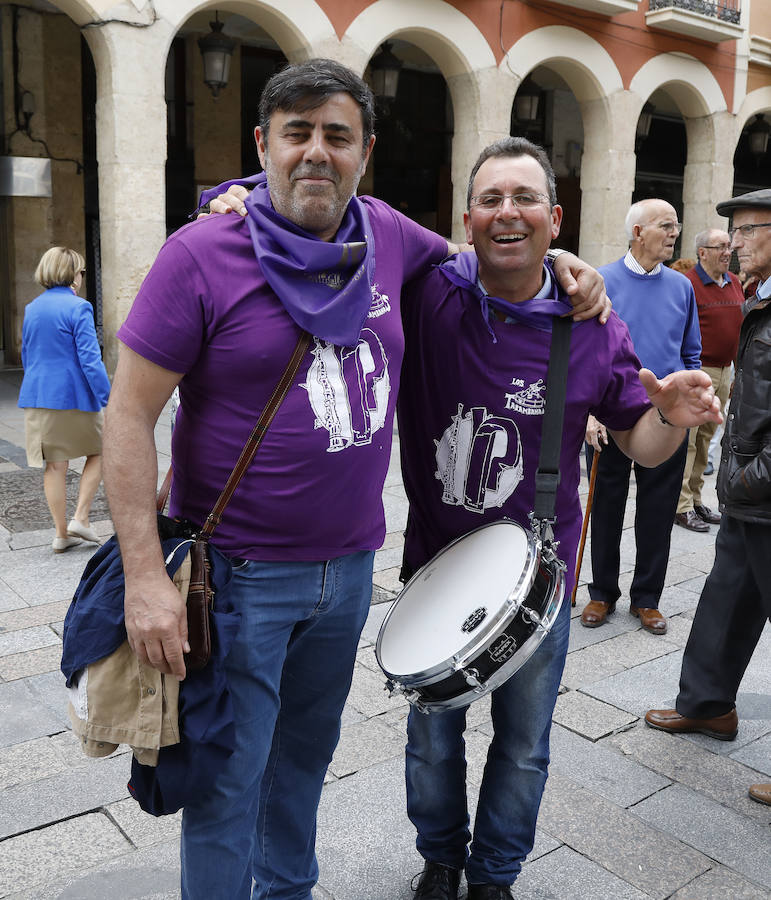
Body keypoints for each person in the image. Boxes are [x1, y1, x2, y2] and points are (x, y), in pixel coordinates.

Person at [103, 60, 607, 900]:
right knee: (226, 783)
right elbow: (126, 417)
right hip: (234, 580)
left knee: (301, 770)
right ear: (262, 144)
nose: (315, 153)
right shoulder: (200, 254)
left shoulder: (387, 236)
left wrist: (569, 265)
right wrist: (144, 577)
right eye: (295, 133)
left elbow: (485, 252)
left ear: (364, 151)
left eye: (336, 136)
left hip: (344, 579)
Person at [393, 140, 719, 900]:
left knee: (524, 745)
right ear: (466, 216)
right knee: (431, 739)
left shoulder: (591, 325)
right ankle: (440, 859)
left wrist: (669, 418)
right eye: (490, 199)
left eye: (525, 198)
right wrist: (231, 198)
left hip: (540, 578)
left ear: (554, 216)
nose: (507, 212)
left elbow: (640, 443)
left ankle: (494, 877)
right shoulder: (426, 294)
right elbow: (338, 214)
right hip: (435, 565)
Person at [644, 187, 771, 809]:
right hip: (750, 493)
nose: (735, 243)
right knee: (724, 602)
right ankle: (707, 706)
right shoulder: (759, 296)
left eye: (748, 230)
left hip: (763, 490)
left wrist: (750, 478)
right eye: (735, 232)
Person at [581, 199, 702, 635]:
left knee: (658, 508)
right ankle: (601, 593)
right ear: (638, 232)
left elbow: (691, 351)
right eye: (665, 226)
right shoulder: (602, 281)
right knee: (607, 506)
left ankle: (647, 598)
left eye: (676, 226)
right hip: (612, 412)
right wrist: (590, 413)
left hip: (667, 417)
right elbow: (585, 355)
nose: (674, 233)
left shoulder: (682, 287)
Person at [18, 247, 110, 552]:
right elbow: (90, 359)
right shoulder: (78, 308)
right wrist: (107, 396)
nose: (82, 277)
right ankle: (81, 518)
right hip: (74, 396)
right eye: (81, 271)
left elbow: (26, 355)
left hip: (38, 396)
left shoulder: (32, 308)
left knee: (54, 466)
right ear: (72, 274)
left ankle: (61, 533)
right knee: (101, 452)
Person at [674, 228, 743, 532]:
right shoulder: (687, 284)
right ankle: (681, 505)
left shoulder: (735, 282)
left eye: (729, 246)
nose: (728, 252)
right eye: (720, 247)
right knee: (688, 440)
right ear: (702, 252)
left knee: (706, 441)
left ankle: (697, 499)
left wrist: (736, 370)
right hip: (697, 369)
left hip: (725, 370)